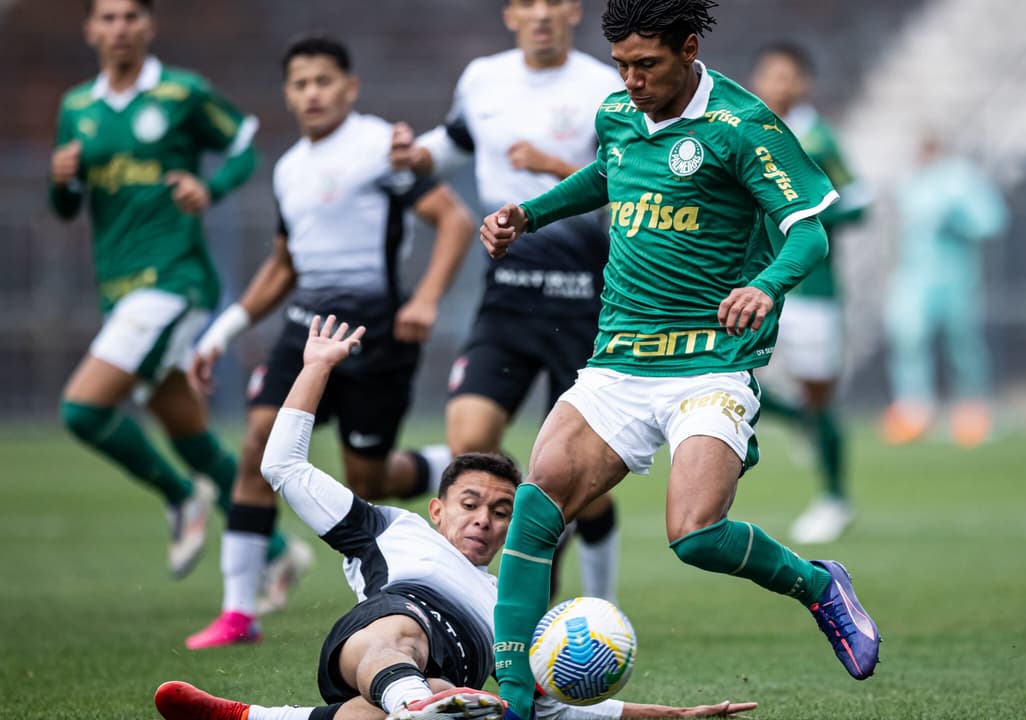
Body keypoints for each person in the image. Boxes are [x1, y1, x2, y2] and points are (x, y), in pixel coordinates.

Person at [477, 2, 883, 718]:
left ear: (689, 48)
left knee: (695, 535)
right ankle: (514, 698)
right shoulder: (617, 114)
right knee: (537, 504)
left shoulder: (742, 125)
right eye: (622, 65)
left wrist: (763, 285)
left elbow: (809, 234)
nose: (632, 80)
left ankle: (818, 586)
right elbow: (605, 176)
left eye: (648, 65)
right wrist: (529, 214)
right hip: (619, 360)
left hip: (709, 363)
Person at [154, 315, 757, 720]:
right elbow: (281, 466)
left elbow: (559, 708)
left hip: (435, 686)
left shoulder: (513, 604)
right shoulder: (390, 530)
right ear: (437, 510)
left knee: (400, 712)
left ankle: (251, 717)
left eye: (501, 512)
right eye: (470, 504)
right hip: (388, 636)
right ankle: (420, 701)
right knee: (402, 636)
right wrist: (316, 366)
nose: (485, 521)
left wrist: (677, 716)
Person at [183, 36, 474, 650]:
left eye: (323, 81)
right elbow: (285, 266)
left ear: (349, 86)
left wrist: (425, 299)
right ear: (288, 93)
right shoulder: (288, 168)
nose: (312, 93)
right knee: (259, 448)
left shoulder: (382, 147)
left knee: (365, 478)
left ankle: (436, 460)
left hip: (375, 334)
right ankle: (238, 612)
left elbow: (453, 219)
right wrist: (220, 333)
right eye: (300, 83)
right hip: (305, 327)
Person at [389, 0, 624, 603]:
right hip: (509, 291)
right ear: (510, 12)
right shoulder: (482, 78)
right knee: (471, 442)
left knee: (588, 482)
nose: (541, 13)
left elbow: (628, 189)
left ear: (573, 9)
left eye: (553, 1)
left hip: (585, 295)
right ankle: (485, 592)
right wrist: (421, 155)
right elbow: (460, 139)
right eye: (528, 2)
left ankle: (598, 608)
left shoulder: (606, 86)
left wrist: (550, 165)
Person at [48, 0, 266, 578]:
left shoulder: (181, 91)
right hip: (119, 290)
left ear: (149, 25)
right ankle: (273, 555)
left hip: (174, 280)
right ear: (91, 29)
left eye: (131, 16)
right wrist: (63, 182)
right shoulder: (77, 107)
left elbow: (245, 142)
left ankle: (179, 496)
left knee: (82, 410)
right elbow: (66, 207)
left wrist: (210, 188)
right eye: (109, 17)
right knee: (189, 434)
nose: (120, 28)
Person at [748, 42, 870, 545]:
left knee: (821, 395)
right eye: (769, 74)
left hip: (813, 289)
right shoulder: (746, 131)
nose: (777, 84)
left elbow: (860, 205)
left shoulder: (820, 140)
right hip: (754, 284)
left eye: (787, 76)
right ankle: (795, 419)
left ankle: (835, 498)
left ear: (803, 83)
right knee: (731, 377)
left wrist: (805, 212)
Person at [880, 132, 1008, 448]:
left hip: (955, 273)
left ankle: (971, 410)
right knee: (909, 336)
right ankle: (914, 410)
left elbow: (993, 220)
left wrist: (959, 218)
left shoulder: (961, 179)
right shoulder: (909, 181)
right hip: (914, 273)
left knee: (963, 342)